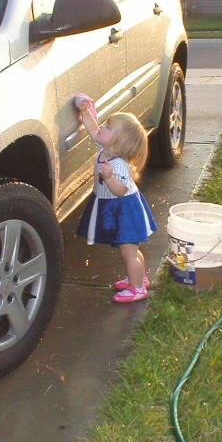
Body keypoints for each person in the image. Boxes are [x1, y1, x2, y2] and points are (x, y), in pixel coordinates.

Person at [74, 94, 158, 303]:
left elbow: (120, 191)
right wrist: (85, 111)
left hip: (124, 211)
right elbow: (94, 130)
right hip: (115, 207)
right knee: (131, 250)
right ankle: (139, 278)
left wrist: (110, 177)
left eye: (109, 127)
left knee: (129, 252)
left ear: (118, 142)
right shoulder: (105, 149)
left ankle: (137, 288)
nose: (103, 126)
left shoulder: (119, 164)